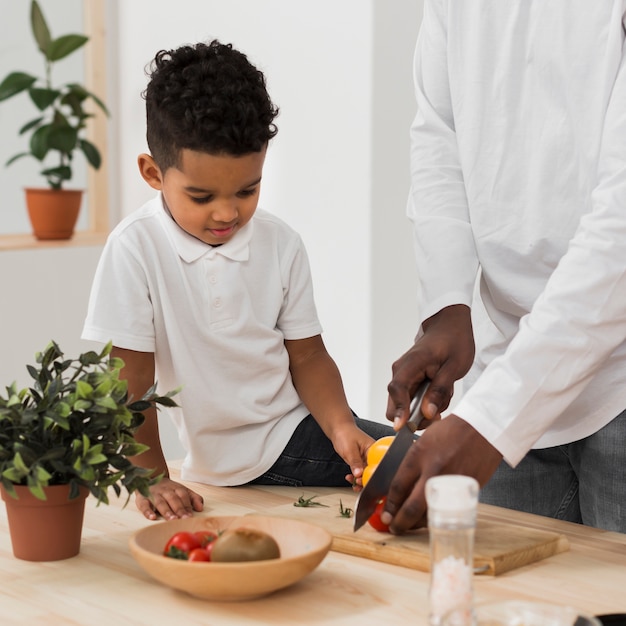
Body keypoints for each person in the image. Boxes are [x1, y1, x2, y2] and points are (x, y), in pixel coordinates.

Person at [82, 40, 393, 521]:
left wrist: (340, 424)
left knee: (425, 457)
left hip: (296, 429)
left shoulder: (279, 242)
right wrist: (151, 476)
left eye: (247, 190)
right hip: (247, 459)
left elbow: (308, 355)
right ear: (152, 173)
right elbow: (129, 384)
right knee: (425, 463)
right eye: (202, 196)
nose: (228, 212)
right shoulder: (135, 248)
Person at [383, 1, 626, 534]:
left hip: (613, 381)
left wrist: (492, 422)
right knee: (497, 610)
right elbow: (439, 138)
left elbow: (620, 227)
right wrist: (448, 306)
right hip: (507, 364)